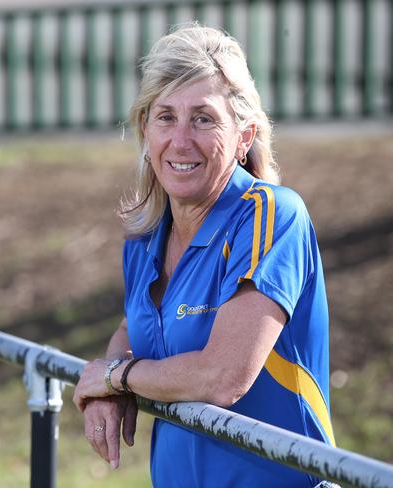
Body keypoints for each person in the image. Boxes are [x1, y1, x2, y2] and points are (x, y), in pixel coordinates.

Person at [72, 24, 335, 487]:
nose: (180, 140)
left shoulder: (270, 216)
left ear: (243, 136)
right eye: (165, 117)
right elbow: (134, 330)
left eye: (204, 118)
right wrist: (105, 389)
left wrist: (117, 377)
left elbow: (222, 377)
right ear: (145, 129)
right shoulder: (146, 235)